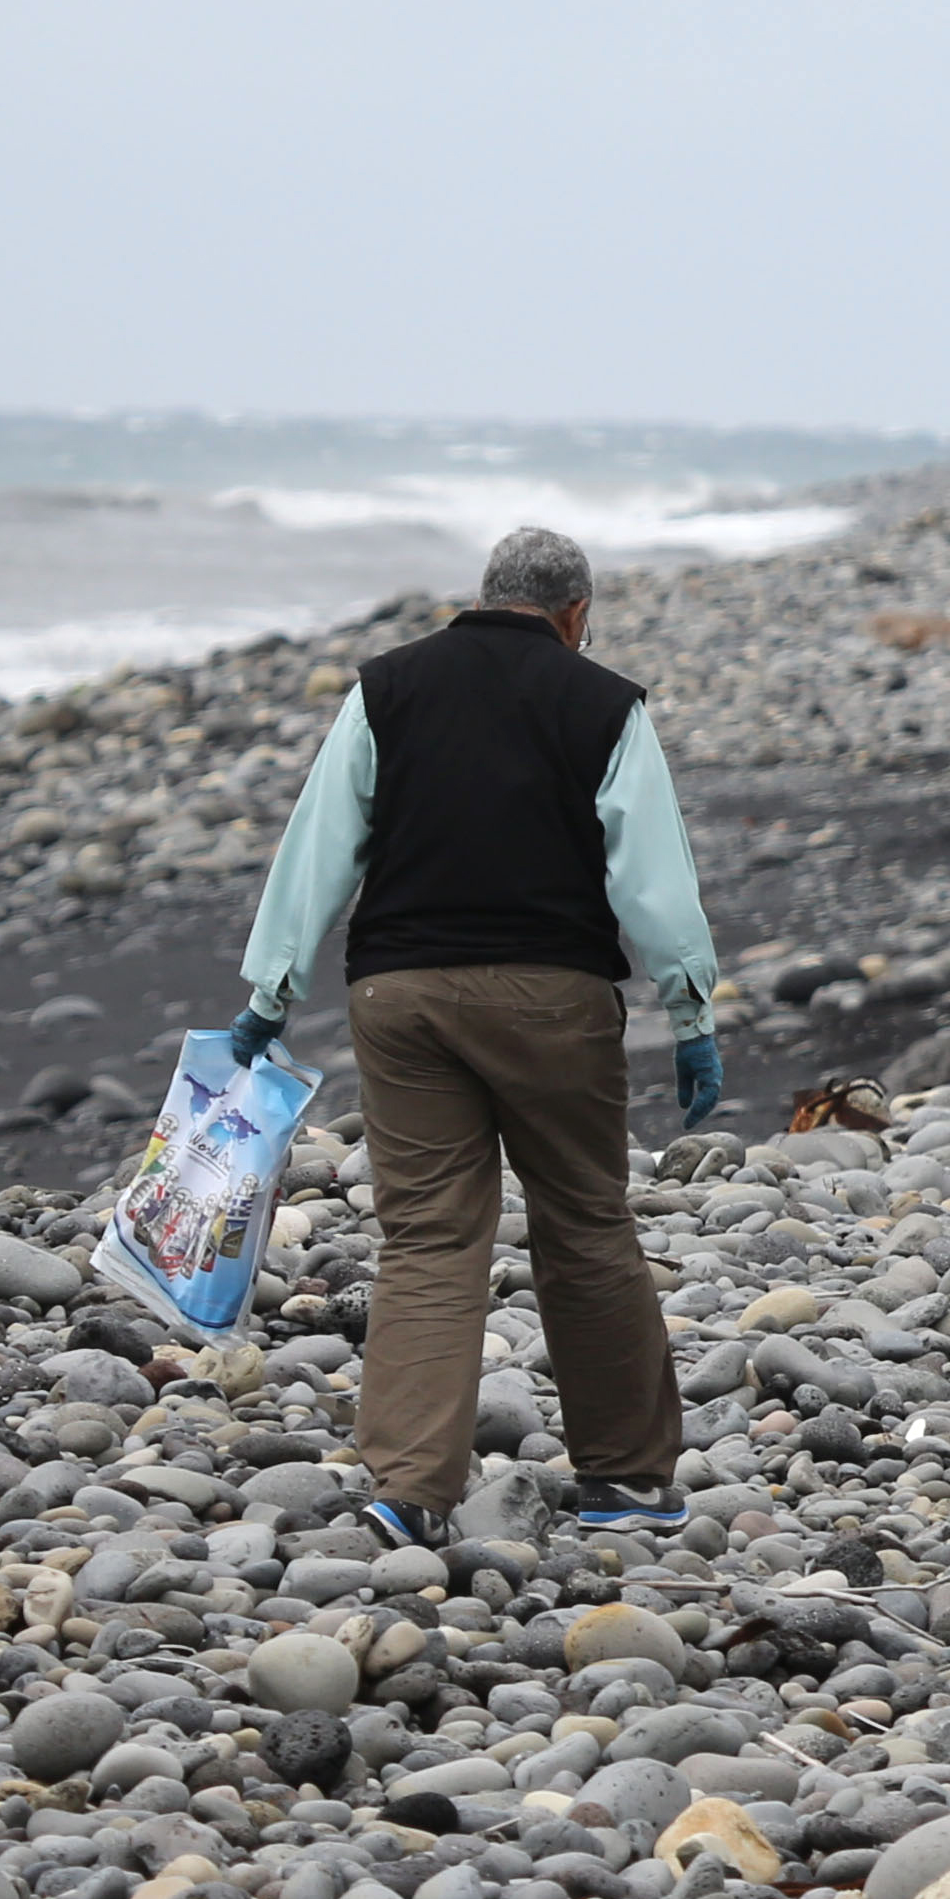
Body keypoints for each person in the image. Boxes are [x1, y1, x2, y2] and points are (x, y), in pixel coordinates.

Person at [232, 523, 730, 1552]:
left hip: (401, 997)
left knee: (428, 1238)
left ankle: (410, 1489)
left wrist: (271, 993)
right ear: (576, 615)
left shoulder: (388, 686)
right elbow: (652, 879)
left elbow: (320, 843)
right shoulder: (603, 705)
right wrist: (690, 1013)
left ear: (485, 594)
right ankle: (627, 1482)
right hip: (553, 998)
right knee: (585, 1222)